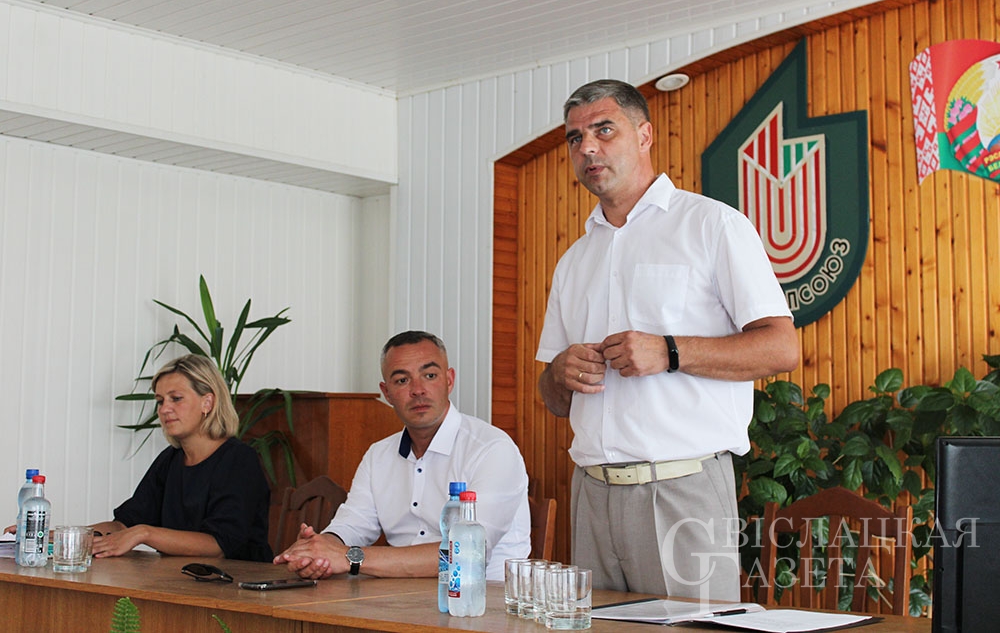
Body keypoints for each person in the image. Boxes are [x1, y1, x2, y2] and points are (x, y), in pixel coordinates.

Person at [536, 79, 800, 600]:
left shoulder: (713, 225)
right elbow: (553, 399)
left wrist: (670, 351)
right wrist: (558, 373)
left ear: (645, 135)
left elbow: (781, 347)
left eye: (603, 130)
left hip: (683, 490)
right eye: (574, 138)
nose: (587, 148)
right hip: (591, 494)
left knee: (693, 631)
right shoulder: (573, 262)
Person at [275, 330, 530, 579]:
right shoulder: (378, 455)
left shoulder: (492, 449)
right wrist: (318, 550)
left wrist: (349, 557)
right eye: (402, 380)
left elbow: (467, 554)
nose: (418, 390)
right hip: (399, 596)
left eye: (429, 375)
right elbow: (353, 523)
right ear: (386, 393)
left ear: (449, 380)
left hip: (482, 598)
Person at [91, 353, 272, 562]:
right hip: (178, 577)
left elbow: (219, 545)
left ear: (207, 403)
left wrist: (144, 533)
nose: (164, 409)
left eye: (176, 398)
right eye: (160, 401)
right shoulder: (170, 460)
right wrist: (75, 536)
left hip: (240, 579)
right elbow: (125, 523)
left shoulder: (239, 460)